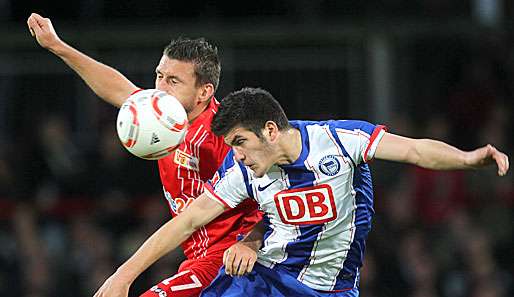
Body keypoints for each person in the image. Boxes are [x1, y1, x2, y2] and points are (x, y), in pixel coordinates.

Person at [88, 87, 509, 297]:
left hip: (332, 288)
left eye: (239, 142)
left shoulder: (342, 140)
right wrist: (124, 276)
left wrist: (468, 158)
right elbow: (188, 220)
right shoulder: (245, 170)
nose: (235, 155)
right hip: (265, 280)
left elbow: (415, 150)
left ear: (270, 131)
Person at [26, 13, 263, 297]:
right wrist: (56, 45)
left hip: (231, 260)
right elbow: (118, 88)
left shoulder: (222, 135)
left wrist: (252, 241)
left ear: (204, 92)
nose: (160, 88)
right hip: (199, 257)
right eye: (159, 76)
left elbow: (278, 187)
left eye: (173, 81)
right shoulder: (162, 115)